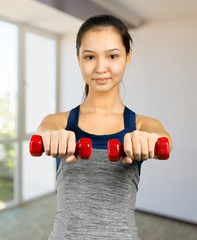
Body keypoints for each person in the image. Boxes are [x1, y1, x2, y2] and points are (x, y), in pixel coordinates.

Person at [35, 14, 173, 239]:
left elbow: (161, 137)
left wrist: (149, 140)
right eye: (90, 57)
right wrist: (52, 136)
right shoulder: (60, 122)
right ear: (78, 58)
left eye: (112, 56)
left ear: (127, 57)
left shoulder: (141, 124)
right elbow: (45, 130)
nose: (101, 68)